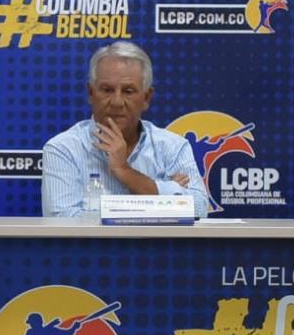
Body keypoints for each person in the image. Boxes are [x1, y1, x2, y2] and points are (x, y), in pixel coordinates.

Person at [41, 42, 209, 217]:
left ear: (146, 97)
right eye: (107, 90)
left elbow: (199, 209)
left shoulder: (173, 146)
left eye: (128, 91)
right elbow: (62, 220)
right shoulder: (63, 149)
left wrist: (124, 171)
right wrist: (163, 195)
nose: (117, 102)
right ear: (91, 93)